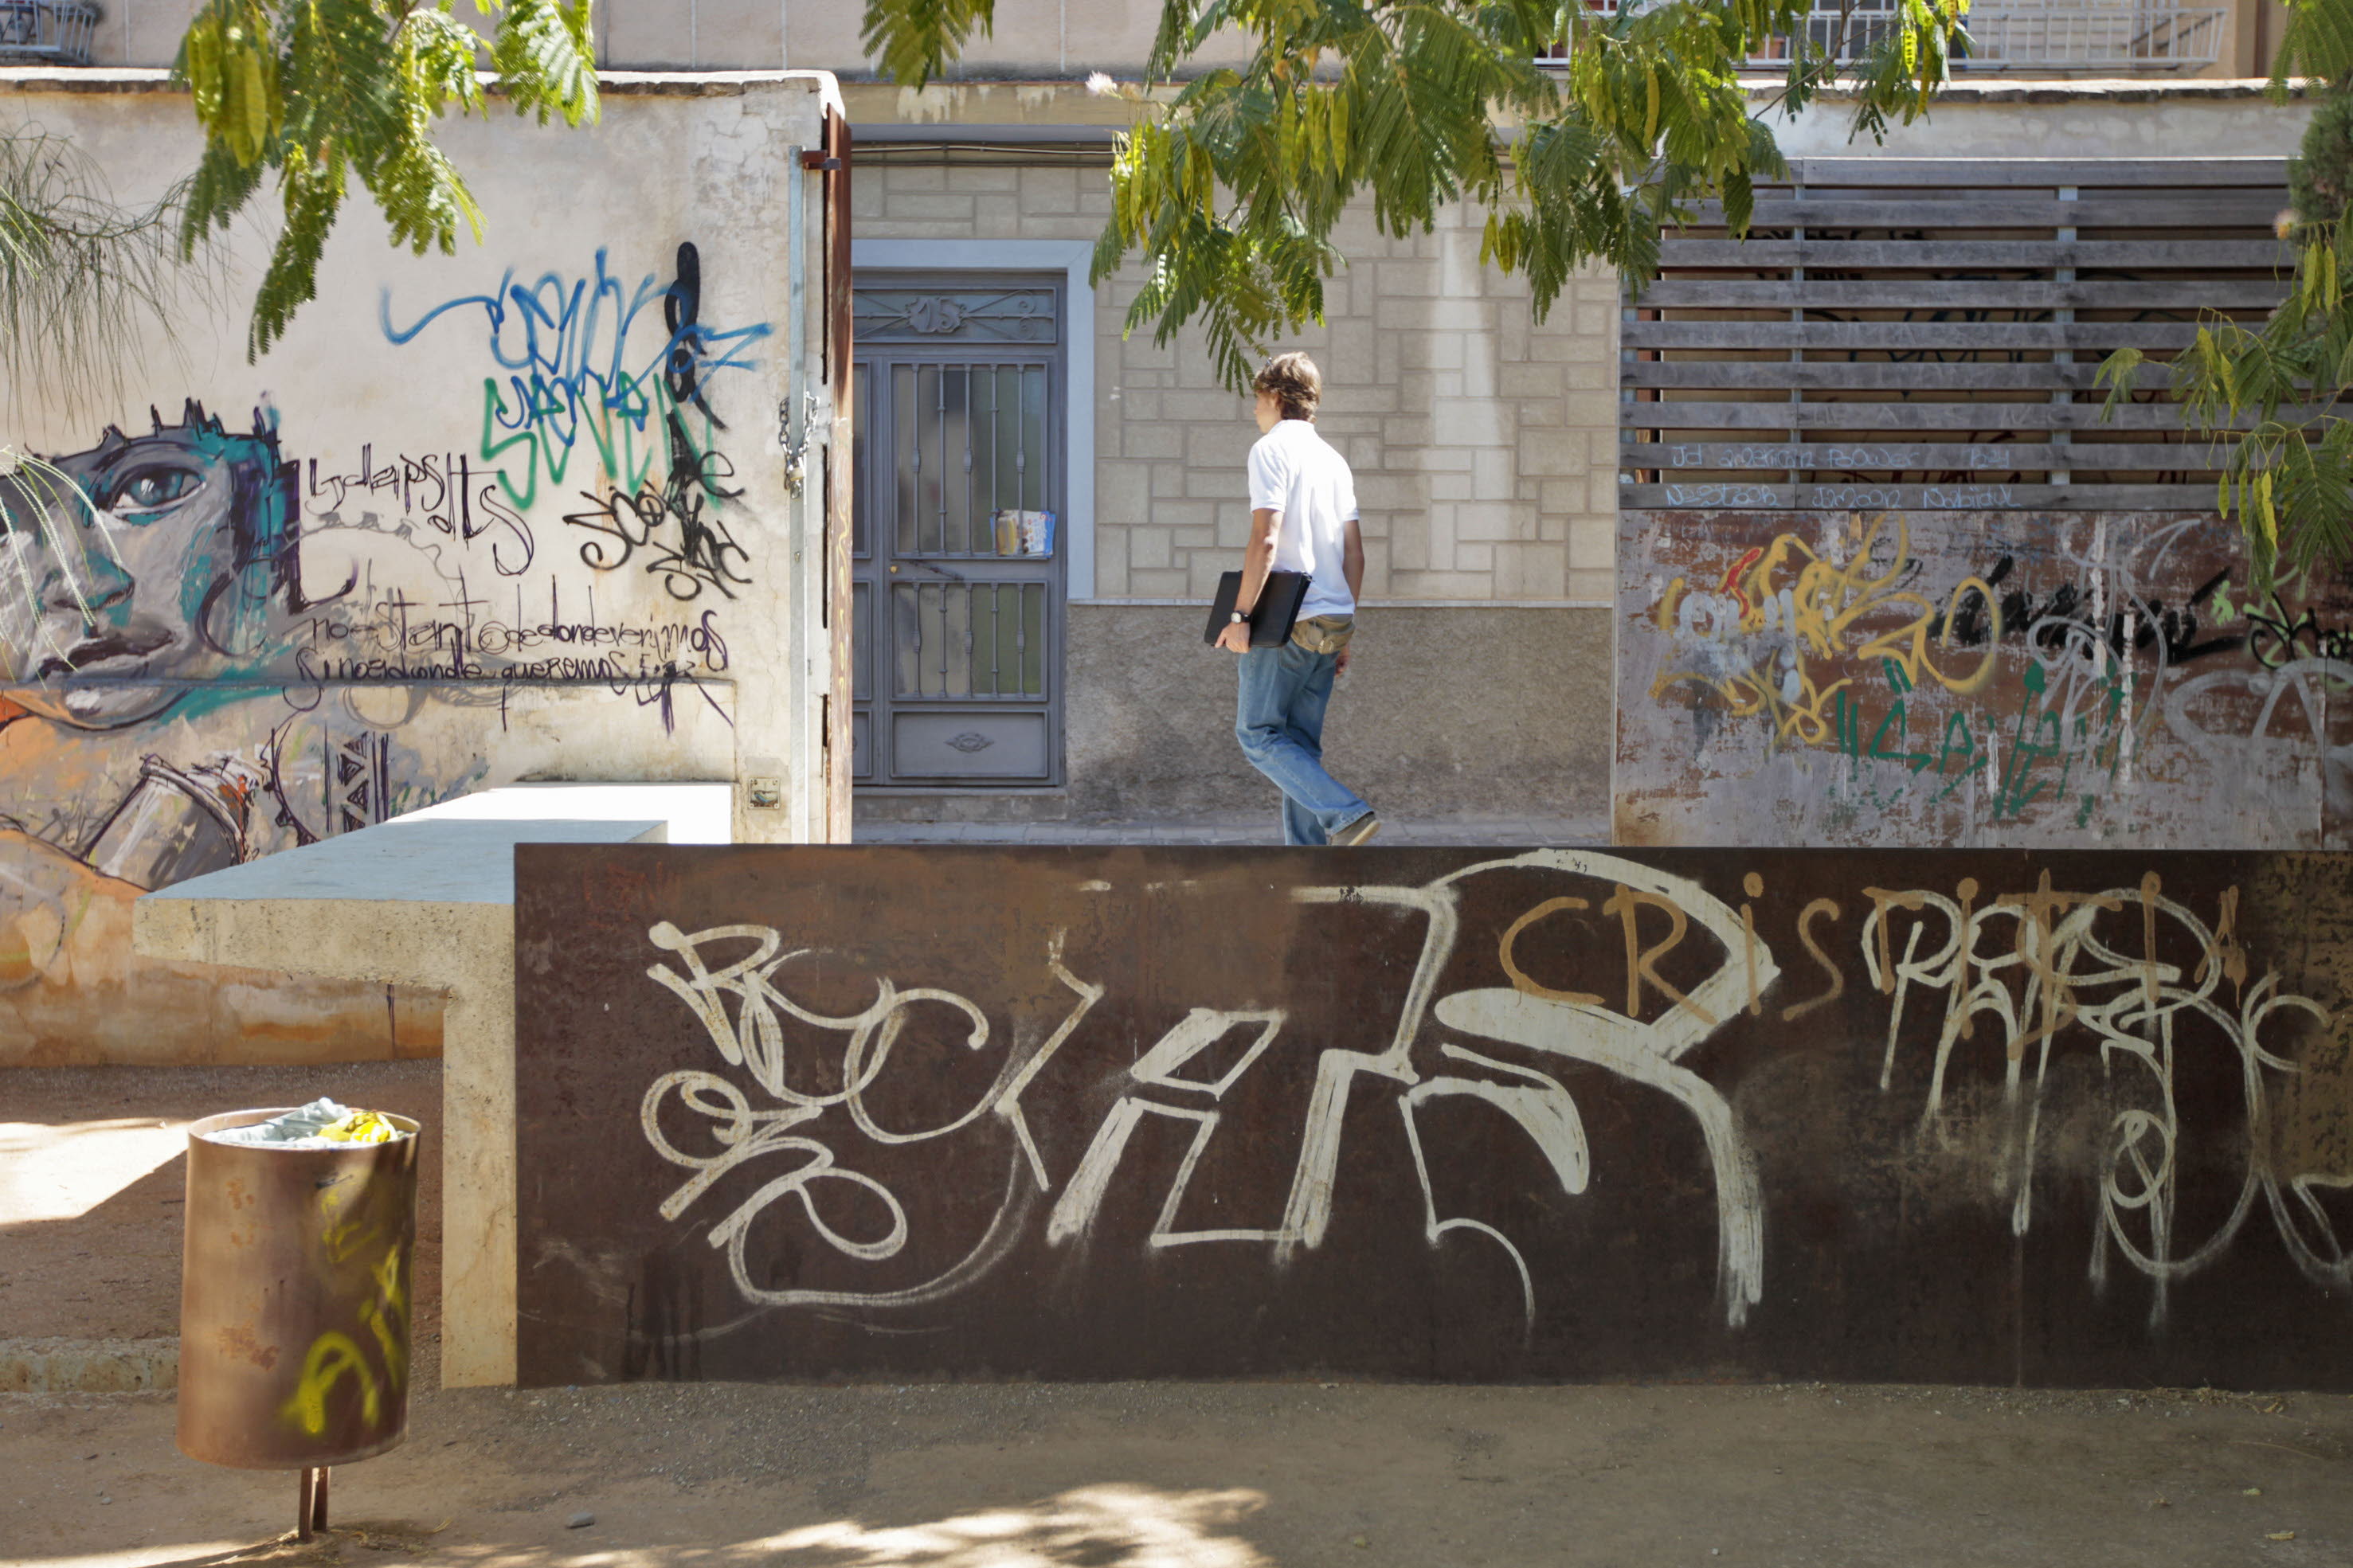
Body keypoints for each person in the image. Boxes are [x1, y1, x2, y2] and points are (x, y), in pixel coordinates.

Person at [1212, 353, 1379, 846]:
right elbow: (1355, 553)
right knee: (1299, 746)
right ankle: (1308, 860)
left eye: (1258, 399)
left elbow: (1266, 537)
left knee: (1258, 736)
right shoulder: (1334, 460)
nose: (1254, 411)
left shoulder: (1270, 450)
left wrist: (1240, 615)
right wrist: (1343, 626)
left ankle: (1346, 813)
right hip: (1331, 619)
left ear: (1276, 397)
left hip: (1287, 621)